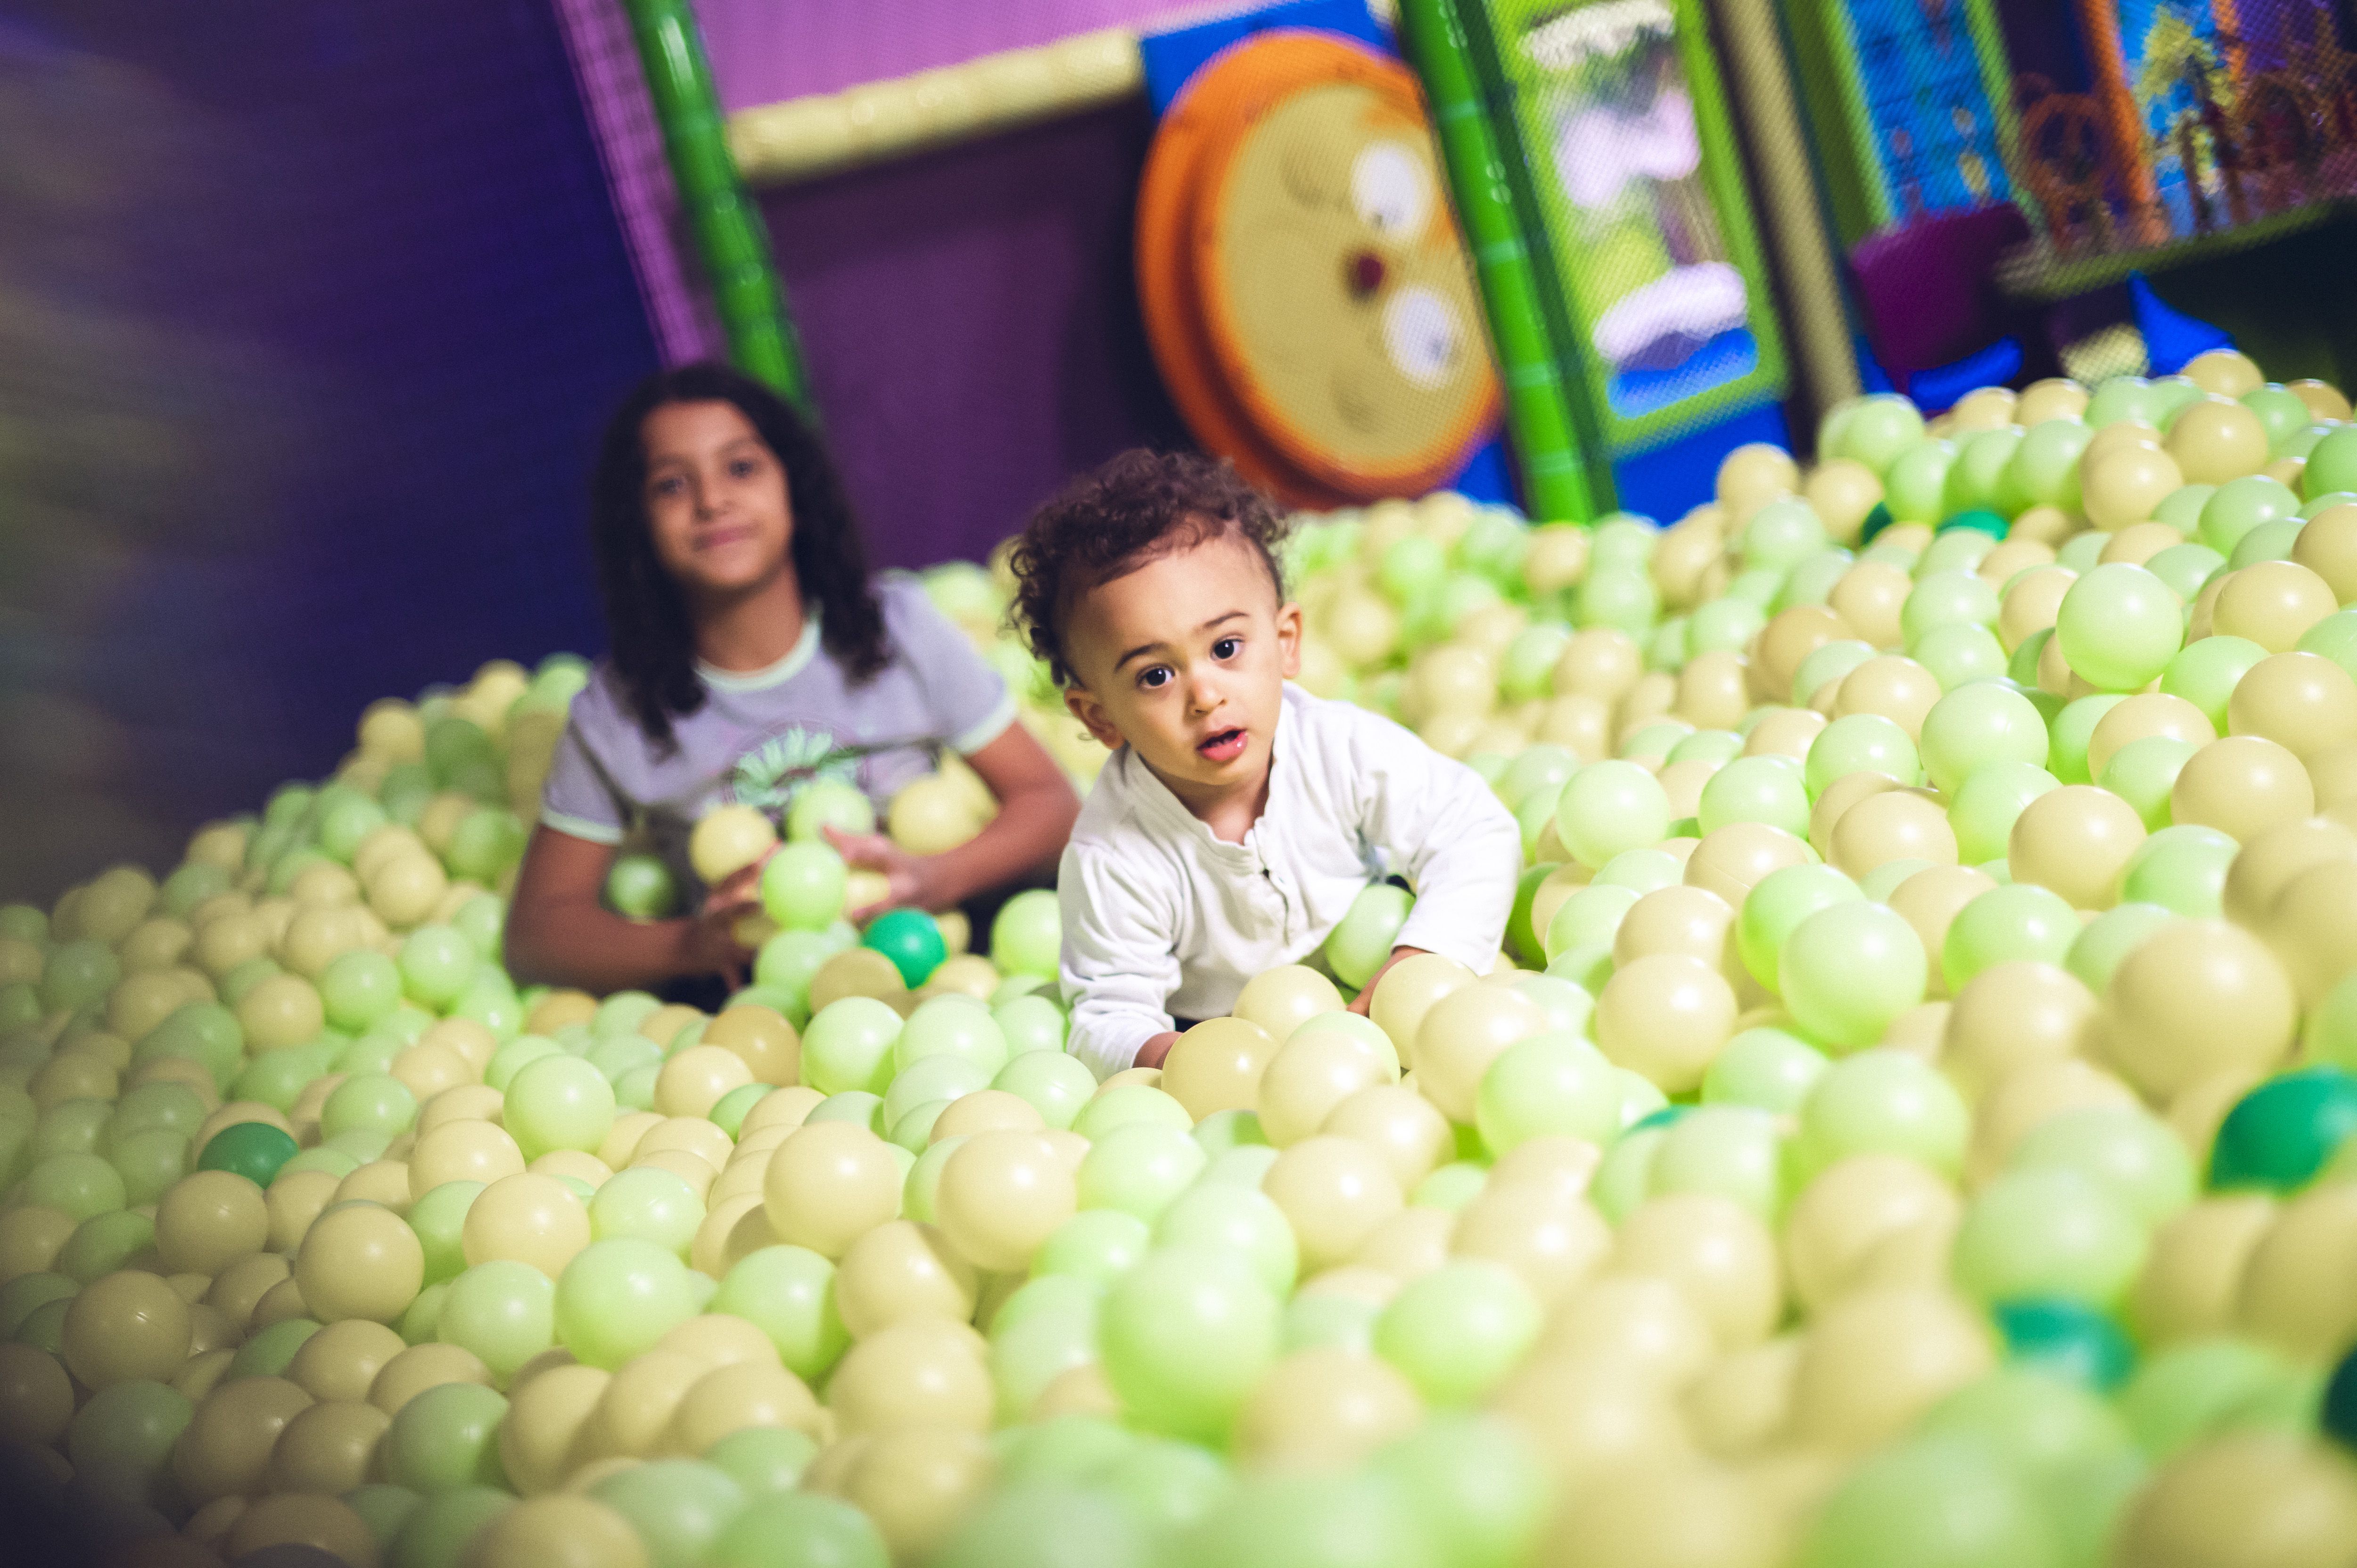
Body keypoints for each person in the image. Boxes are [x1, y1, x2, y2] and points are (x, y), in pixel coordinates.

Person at [506, 361, 1080, 995]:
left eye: (741, 467)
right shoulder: (618, 710)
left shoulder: (896, 627)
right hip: (759, 994)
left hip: (943, 956)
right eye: (671, 485)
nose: (711, 500)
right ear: (636, 526)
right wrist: (694, 944)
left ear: (796, 492)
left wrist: (934, 877)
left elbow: (1052, 806)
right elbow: (538, 937)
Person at [1010, 450, 1521, 1079]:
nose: (1205, 695)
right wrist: (1207, 1064)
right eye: (1156, 675)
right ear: (1099, 718)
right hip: (1227, 1034)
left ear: (1286, 644)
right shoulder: (1113, 855)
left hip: (1385, 966)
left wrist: (1413, 967)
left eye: (1226, 648)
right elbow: (1106, 1018)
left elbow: (1473, 829)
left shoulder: (1339, 747)